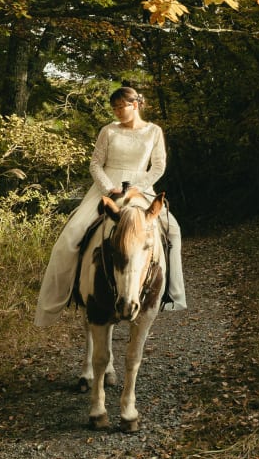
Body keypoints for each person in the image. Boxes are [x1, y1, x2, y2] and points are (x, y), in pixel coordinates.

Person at [34, 85, 187, 326]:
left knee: (173, 231)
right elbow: (95, 164)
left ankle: (171, 293)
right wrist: (109, 189)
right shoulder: (108, 131)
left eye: (120, 106)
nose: (116, 111)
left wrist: (138, 186)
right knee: (70, 237)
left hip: (141, 189)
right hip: (106, 188)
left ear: (134, 105)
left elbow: (158, 166)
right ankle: (65, 297)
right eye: (113, 107)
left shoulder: (154, 131)